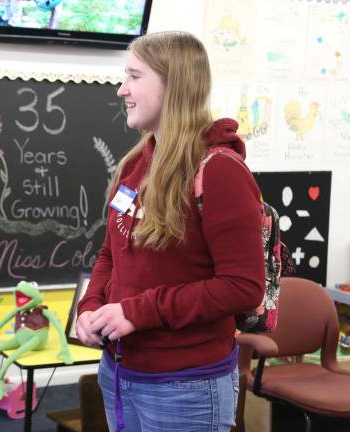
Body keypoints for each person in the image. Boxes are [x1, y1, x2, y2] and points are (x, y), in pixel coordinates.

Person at [75, 31, 265, 432]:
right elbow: (112, 252)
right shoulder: (135, 164)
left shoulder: (220, 171)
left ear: (173, 84)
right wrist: (90, 307)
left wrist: (136, 312)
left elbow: (243, 286)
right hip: (120, 373)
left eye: (134, 76)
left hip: (187, 387)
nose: (121, 89)